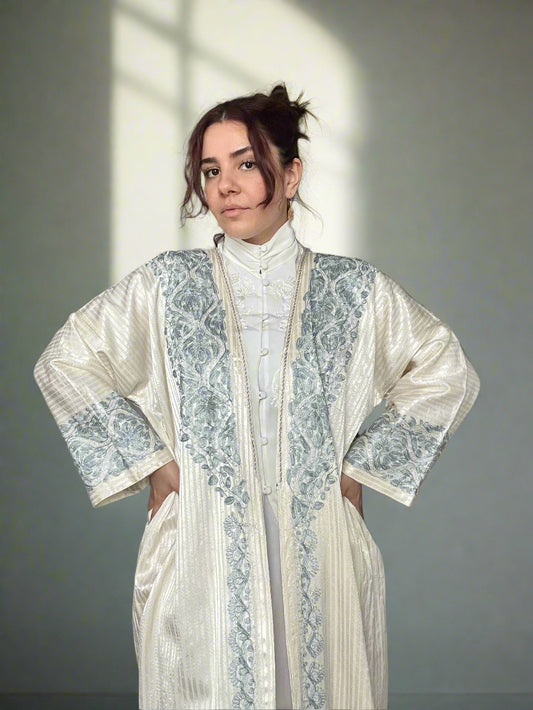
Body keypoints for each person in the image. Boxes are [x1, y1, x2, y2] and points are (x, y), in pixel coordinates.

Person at [34, 83, 479, 710]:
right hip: (201, 543)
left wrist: (361, 470)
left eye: (246, 164)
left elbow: (444, 367)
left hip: (321, 542)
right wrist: (152, 463)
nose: (225, 186)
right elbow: (66, 360)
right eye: (210, 171)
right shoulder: (167, 285)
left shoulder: (352, 290)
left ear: (290, 175)